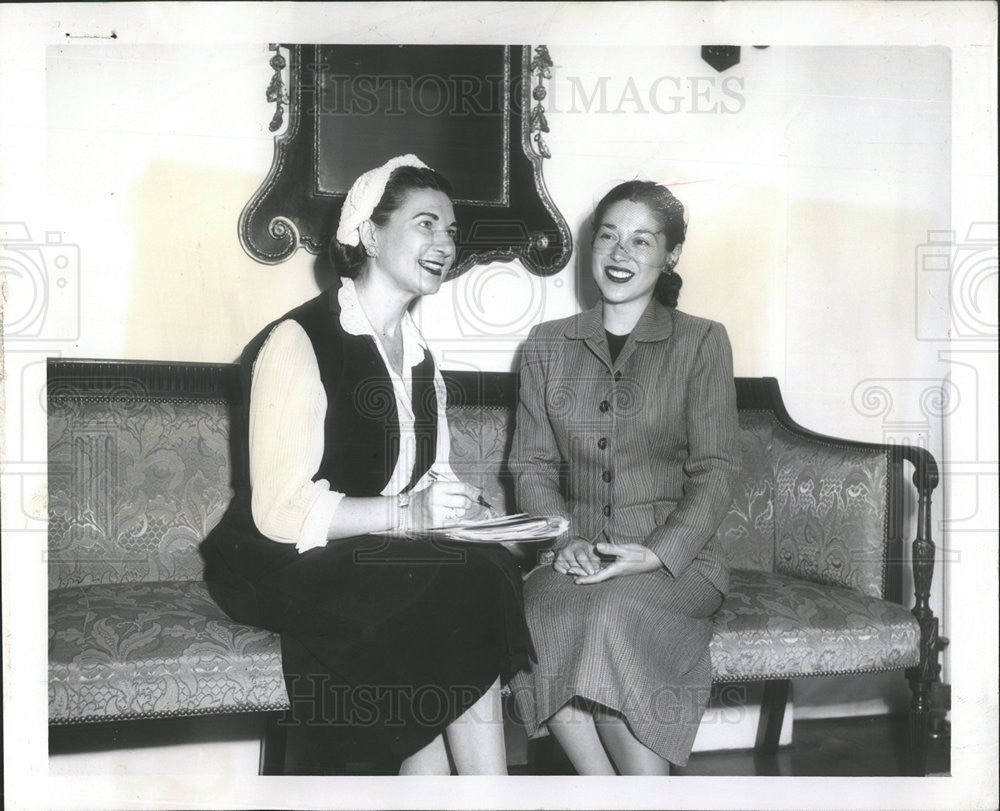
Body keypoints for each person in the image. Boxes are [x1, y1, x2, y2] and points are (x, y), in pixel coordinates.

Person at [201, 155, 534, 775]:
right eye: (426, 224)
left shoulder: (421, 357)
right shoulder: (298, 340)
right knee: (464, 582)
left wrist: (476, 515)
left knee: (485, 564)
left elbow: (429, 476)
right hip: (276, 558)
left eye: (453, 231)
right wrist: (410, 514)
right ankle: (487, 788)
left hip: (367, 548)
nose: (445, 243)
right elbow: (279, 510)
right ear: (371, 234)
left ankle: (448, 782)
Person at [508, 179, 739, 775]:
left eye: (642, 240)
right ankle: (606, 788)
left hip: (676, 564)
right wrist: (566, 543)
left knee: (612, 613)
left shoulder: (703, 342)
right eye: (608, 236)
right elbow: (530, 467)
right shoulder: (546, 346)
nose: (619, 253)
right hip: (572, 556)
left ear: (670, 256)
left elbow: (715, 472)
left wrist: (655, 554)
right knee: (534, 615)